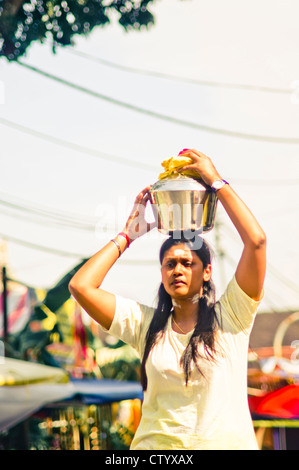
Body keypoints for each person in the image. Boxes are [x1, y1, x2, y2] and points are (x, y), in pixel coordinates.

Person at [69, 149, 266, 450]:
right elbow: (81, 286)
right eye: (170, 264)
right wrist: (127, 235)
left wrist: (216, 181)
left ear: (207, 272)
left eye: (188, 263)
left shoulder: (232, 317)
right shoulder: (145, 324)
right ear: (161, 272)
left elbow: (256, 241)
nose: (178, 270)